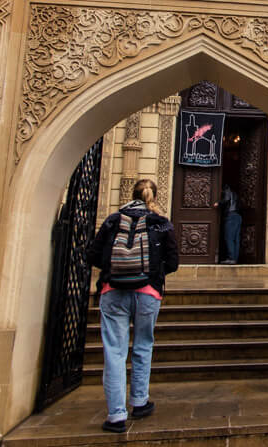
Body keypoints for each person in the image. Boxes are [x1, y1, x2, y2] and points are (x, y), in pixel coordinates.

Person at [87, 179, 179, 433]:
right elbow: (173, 261)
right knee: (143, 344)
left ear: (132, 194)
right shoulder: (161, 223)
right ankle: (139, 401)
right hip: (148, 293)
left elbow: (93, 255)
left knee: (114, 352)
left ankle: (116, 415)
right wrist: (153, 274)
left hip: (113, 291)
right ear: (154, 196)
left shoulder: (113, 220)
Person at [214, 184, 242, 264]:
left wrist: (218, 203)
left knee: (229, 237)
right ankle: (234, 259)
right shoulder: (236, 194)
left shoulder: (227, 190)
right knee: (236, 239)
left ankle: (231, 258)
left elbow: (226, 199)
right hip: (238, 216)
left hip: (231, 216)